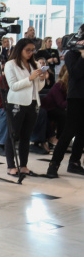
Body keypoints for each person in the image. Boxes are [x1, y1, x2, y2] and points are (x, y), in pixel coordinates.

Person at [4, 38, 47, 176]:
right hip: (17, 103)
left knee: (26, 136)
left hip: (33, 102)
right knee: (13, 134)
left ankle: (23, 166)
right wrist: (29, 78)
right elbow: (13, 86)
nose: (30, 53)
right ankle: (11, 166)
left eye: (32, 50)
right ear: (19, 49)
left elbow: (38, 87)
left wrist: (41, 78)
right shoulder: (11, 64)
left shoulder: (34, 64)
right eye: (27, 50)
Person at [48, 37, 84, 177]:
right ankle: (54, 164)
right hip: (76, 97)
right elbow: (75, 74)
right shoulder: (71, 54)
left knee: (82, 132)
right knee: (69, 131)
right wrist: (82, 56)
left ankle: (74, 163)